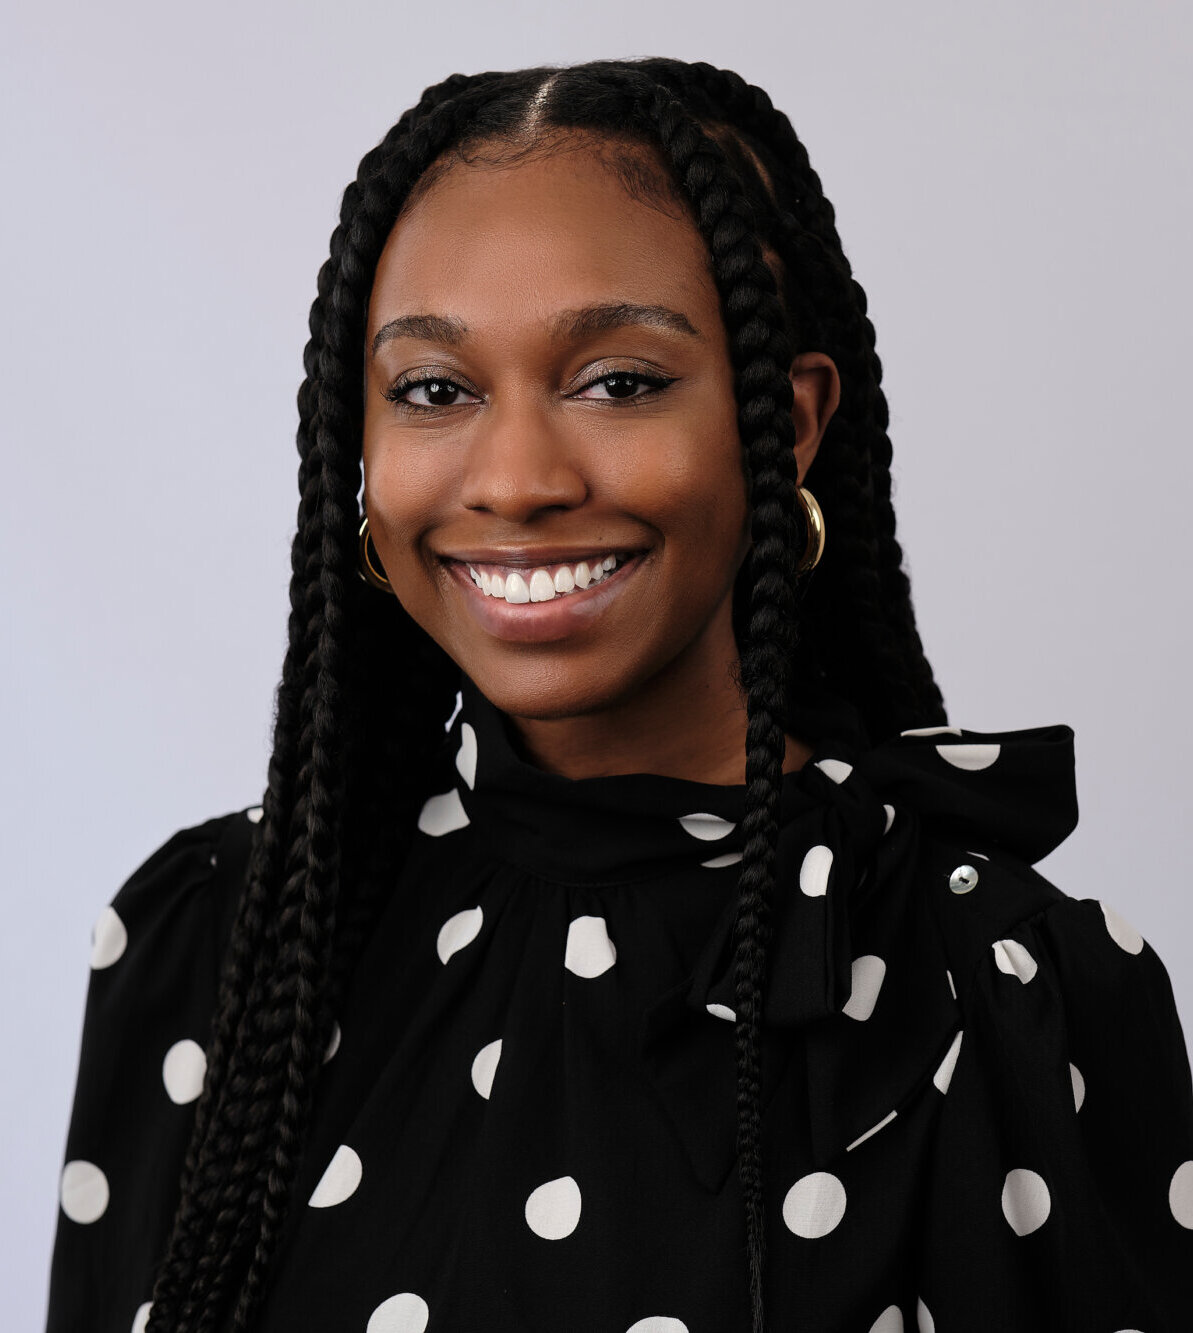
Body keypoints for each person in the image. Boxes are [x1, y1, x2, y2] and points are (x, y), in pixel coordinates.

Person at [46, 57, 1193, 1333]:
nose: (519, 477)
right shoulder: (209, 949)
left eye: (619, 382)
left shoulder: (1001, 986)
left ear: (788, 425)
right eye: (435, 390)